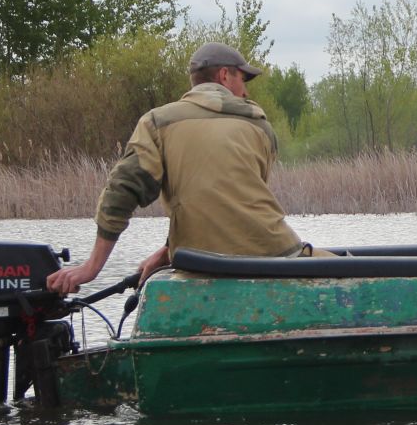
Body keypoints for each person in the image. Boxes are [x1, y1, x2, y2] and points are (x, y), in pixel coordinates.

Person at [47, 41, 305, 294]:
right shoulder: (260, 128)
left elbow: (121, 192)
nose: (246, 92)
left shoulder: (158, 123)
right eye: (243, 80)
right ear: (225, 76)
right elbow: (233, 203)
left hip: (202, 263)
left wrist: (91, 268)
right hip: (276, 254)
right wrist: (170, 250)